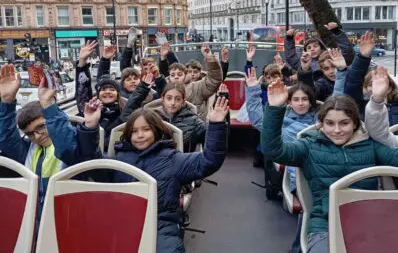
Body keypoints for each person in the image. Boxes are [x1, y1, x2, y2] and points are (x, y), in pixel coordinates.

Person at [261, 80, 398, 253]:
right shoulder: (309, 146)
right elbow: (274, 150)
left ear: (355, 123)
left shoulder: (370, 146)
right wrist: (275, 109)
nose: (337, 130)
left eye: (344, 123)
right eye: (330, 123)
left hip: (370, 222)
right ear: (321, 125)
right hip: (326, 224)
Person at [84, 98, 229, 253]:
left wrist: (216, 125)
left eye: (146, 129)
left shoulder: (172, 159)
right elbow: (90, 163)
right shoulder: (119, 161)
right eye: (134, 131)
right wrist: (90, 127)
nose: (139, 135)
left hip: (160, 226)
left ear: (156, 130)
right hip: (122, 224)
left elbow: (208, 161)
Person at [0, 63, 101, 218]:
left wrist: (48, 105)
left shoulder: (75, 144)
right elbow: (6, 137)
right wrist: (7, 101)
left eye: (41, 127)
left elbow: (66, 147)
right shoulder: (29, 150)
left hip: (70, 214)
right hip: (37, 216)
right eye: (30, 133)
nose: (38, 136)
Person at [144, 82, 207, 152]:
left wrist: (216, 123)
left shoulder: (194, 121)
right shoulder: (150, 118)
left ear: (183, 102)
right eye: (169, 98)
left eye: (178, 99)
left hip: (183, 161)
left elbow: (212, 138)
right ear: (162, 99)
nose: (173, 103)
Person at [284, 23, 353, 81]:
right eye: (309, 48)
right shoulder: (304, 63)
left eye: (315, 46)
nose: (312, 49)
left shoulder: (331, 57)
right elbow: (291, 57)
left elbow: (346, 50)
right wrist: (289, 39)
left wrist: (337, 32)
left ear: (321, 48)